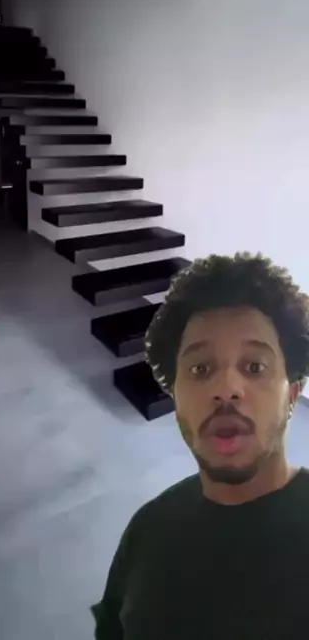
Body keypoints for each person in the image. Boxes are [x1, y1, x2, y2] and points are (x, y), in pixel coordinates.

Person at [95, 254, 309, 640]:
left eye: (255, 367)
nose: (226, 389)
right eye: (200, 369)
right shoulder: (147, 529)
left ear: (292, 394)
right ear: (175, 397)